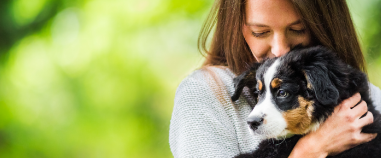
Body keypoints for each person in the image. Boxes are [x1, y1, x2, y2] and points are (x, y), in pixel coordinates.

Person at [169, 0, 381, 157]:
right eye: (260, 32)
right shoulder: (204, 92)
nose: (280, 50)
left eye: (298, 30)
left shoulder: (370, 98)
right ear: (237, 27)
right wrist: (310, 150)